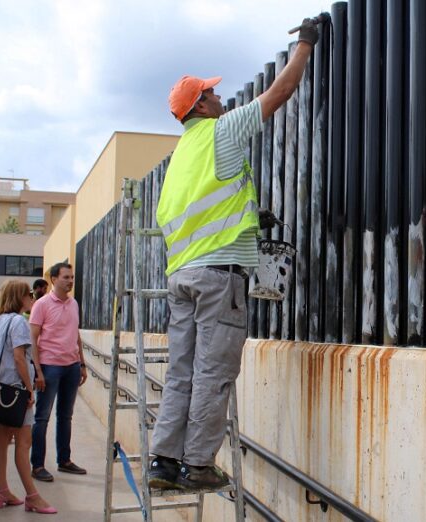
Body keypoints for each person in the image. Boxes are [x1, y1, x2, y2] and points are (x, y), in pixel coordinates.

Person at [147, 18, 322, 489]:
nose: (220, 96)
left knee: (181, 373)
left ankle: (163, 461)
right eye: (212, 92)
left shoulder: (179, 159)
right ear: (200, 105)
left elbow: (203, 213)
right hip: (217, 279)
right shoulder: (219, 132)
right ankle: (198, 465)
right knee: (214, 373)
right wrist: (306, 43)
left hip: (181, 278)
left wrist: (247, 220)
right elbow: (280, 93)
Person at [0, 280, 56, 513]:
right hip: (17, 391)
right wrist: (29, 389)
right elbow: (19, 357)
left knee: (2, 440)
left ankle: (2, 491)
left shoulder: (0, 321)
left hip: (1, 389)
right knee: (24, 443)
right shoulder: (19, 322)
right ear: (19, 297)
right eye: (29, 294)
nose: (32, 298)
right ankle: (32, 497)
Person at [29, 262, 88, 482]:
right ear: (54, 279)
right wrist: (38, 371)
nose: (70, 281)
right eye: (66, 277)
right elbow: (32, 338)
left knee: (66, 416)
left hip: (71, 366)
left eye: (72, 277)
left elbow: (76, 334)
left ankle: (64, 460)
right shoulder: (41, 304)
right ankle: (37, 465)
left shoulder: (73, 303)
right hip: (49, 366)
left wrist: (82, 364)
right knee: (42, 417)